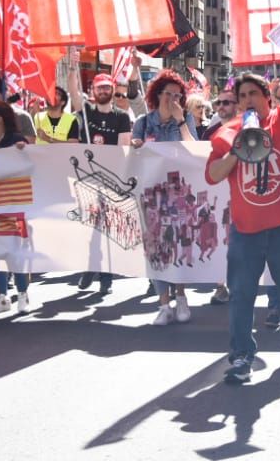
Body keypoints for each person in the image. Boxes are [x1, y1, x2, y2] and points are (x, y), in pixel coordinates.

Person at [206, 48, 280, 383]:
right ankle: (241, 357)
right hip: (247, 230)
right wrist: (239, 150)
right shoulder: (227, 132)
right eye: (243, 96)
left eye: (255, 93)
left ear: (268, 97)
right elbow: (213, 174)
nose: (248, 99)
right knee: (241, 295)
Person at [131, 70, 198, 325]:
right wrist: (136, 147)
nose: (173, 99)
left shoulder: (186, 119)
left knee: (178, 246)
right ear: (157, 95)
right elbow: (133, 157)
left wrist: (181, 122)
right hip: (152, 195)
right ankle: (164, 304)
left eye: (178, 95)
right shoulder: (144, 123)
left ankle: (181, 297)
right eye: (168, 94)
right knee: (156, 250)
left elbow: (195, 149)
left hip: (179, 194)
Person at [68, 71, 132, 296]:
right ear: (93, 91)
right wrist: (71, 68)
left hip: (109, 178)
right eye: (99, 88)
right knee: (89, 228)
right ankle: (89, 267)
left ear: (113, 90)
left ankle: (105, 276)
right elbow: (74, 93)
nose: (103, 91)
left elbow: (123, 148)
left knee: (106, 229)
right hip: (86, 178)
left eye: (107, 87)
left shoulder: (122, 116)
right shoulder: (85, 113)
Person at [0, 100, 34, 310]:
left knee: (16, 250)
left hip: (15, 202)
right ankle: (2, 296)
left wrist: (24, 150)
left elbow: (30, 164)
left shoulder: (16, 140)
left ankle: (22, 295)